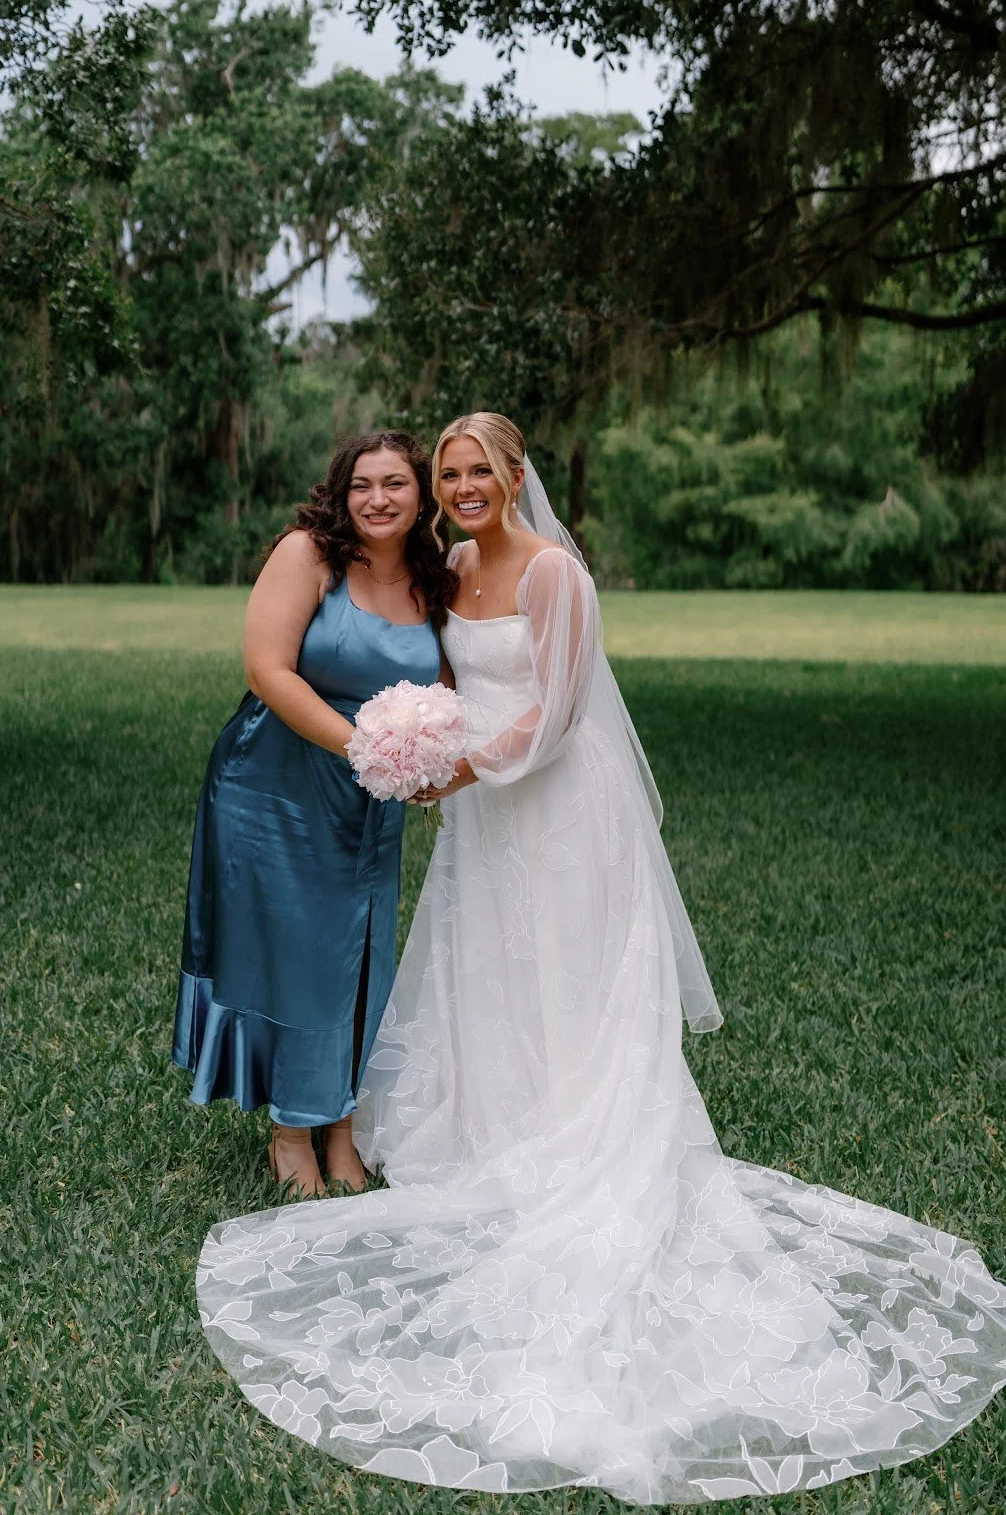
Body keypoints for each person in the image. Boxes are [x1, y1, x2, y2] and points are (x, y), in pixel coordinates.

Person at [194, 413, 1006, 1504]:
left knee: (567, 976)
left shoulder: (555, 574)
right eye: (448, 472)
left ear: (514, 475)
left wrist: (448, 768)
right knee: (484, 972)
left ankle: (568, 1135)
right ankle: (450, 1124)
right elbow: (413, 681)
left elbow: (558, 714)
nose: (460, 486)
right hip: (474, 820)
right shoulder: (451, 569)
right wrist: (414, 750)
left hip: (554, 810)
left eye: (475, 470)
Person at [171, 431, 452, 1197]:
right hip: (276, 785)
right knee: (296, 953)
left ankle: (342, 1126)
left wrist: (428, 762)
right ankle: (292, 1131)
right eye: (362, 484)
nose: (378, 499)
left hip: (374, 796)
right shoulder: (309, 556)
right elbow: (266, 669)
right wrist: (364, 746)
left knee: (362, 951)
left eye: (395, 483)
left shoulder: (432, 578)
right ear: (341, 492)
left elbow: (445, 687)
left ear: (420, 495)